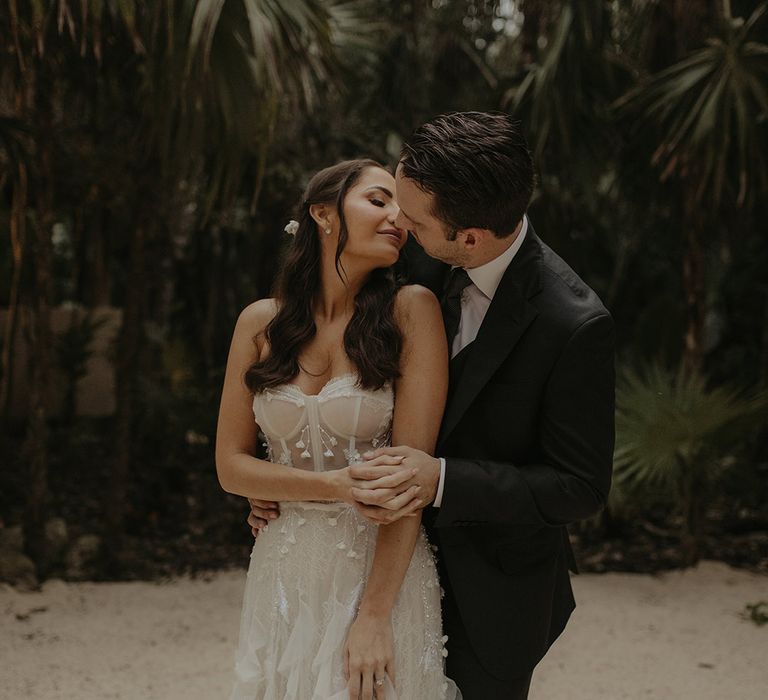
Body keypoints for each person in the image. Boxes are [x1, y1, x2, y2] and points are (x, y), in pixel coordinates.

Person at [250, 112, 616, 699]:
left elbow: (579, 486)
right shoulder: (412, 256)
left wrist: (441, 479)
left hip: (492, 589)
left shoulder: (572, 324)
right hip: (366, 558)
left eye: (413, 220)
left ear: (467, 238)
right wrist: (295, 475)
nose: (397, 223)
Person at [216, 159, 461, 700]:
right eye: (379, 200)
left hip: (381, 566)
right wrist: (334, 487)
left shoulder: (410, 310)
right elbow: (231, 467)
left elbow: (407, 483)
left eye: (402, 207)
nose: (397, 216)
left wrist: (374, 616)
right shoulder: (259, 323)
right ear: (323, 213)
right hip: (283, 568)